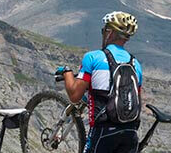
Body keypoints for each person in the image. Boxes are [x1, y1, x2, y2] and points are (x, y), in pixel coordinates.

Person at [58, 11, 143, 153]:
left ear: (109, 32)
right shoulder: (136, 64)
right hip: (130, 133)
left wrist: (66, 73)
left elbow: (74, 95)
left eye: (104, 30)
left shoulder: (93, 57)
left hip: (104, 132)